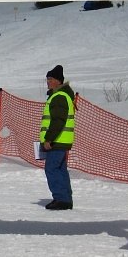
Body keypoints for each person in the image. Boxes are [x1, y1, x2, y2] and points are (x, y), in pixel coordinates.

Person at [40, 64, 76, 210]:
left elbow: (58, 121)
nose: (48, 82)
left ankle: (61, 199)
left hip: (57, 141)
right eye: (47, 79)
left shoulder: (59, 97)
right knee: (60, 169)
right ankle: (65, 199)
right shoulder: (62, 95)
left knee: (52, 169)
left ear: (58, 81)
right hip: (62, 141)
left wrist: (49, 139)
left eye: (50, 79)